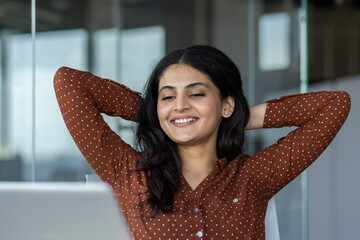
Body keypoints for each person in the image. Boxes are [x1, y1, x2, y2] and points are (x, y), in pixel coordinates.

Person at [54, 45, 350, 240]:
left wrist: (237, 116)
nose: (180, 105)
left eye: (196, 94)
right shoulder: (129, 173)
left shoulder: (253, 177)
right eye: (168, 96)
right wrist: (155, 114)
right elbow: (68, 83)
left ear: (226, 104)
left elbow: (335, 104)